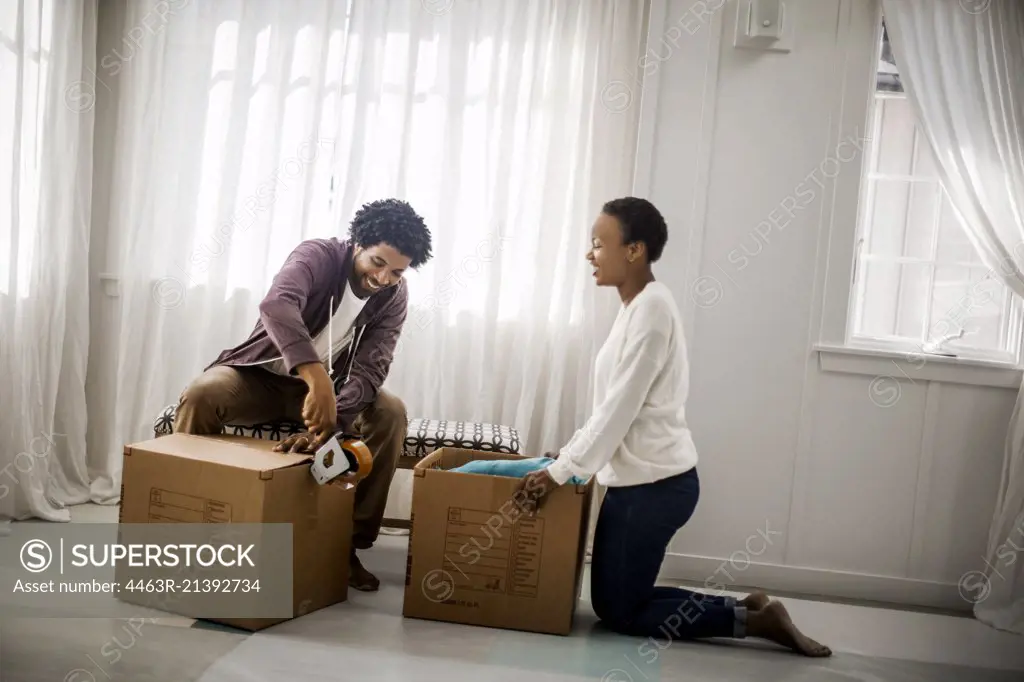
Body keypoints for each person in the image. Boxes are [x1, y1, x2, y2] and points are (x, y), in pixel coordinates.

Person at [513, 197, 831, 657]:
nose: (590, 254)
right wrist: (566, 455)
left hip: (655, 487)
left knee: (621, 612)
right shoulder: (637, 306)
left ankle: (756, 622)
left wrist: (561, 471)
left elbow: (618, 410)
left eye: (599, 244)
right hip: (639, 484)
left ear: (634, 250)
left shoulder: (652, 310)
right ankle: (750, 608)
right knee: (617, 603)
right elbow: (614, 406)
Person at [174, 198, 432, 592]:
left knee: (391, 412)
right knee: (203, 392)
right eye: (378, 263)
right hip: (262, 378)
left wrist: (332, 422)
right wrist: (316, 378)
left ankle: (346, 545)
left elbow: (371, 367)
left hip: (327, 396)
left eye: (396, 271)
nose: (384, 278)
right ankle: (187, 525)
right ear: (358, 243)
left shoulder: (394, 296)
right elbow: (277, 304)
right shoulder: (319, 256)